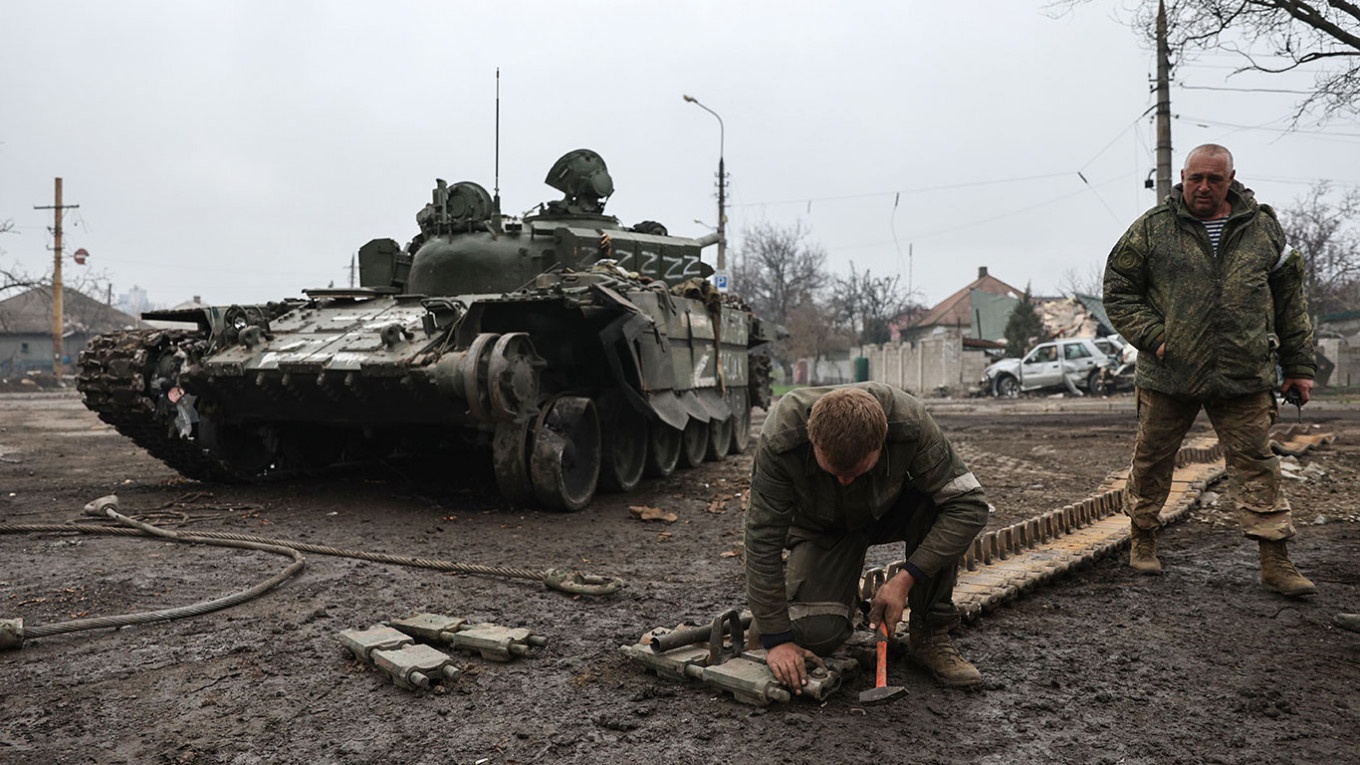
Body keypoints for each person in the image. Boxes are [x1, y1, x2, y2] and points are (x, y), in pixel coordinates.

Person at [1103, 143, 1316, 596]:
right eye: (1194, 178)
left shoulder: (1265, 231)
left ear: (1231, 179)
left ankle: (1274, 559)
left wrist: (1298, 365)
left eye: (1213, 180)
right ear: (1182, 176)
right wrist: (1157, 337)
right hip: (1169, 372)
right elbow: (1119, 290)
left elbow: (1291, 302)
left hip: (1244, 372)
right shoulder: (1152, 230)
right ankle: (1142, 538)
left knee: (1258, 464)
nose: (1203, 187)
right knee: (1152, 460)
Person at [743, 382, 989, 693]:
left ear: (881, 443)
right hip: (822, 529)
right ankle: (836, 612)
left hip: (889, 513)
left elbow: (970, 505)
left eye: (856, 472)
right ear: (812, 439)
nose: (845, 482)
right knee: (816, 635)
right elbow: (761, 538)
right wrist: (776, 639)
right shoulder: (781, 438)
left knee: (940, 507)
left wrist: (904, 579)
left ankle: (930, 635)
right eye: (834, 472)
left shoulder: (909, 422)